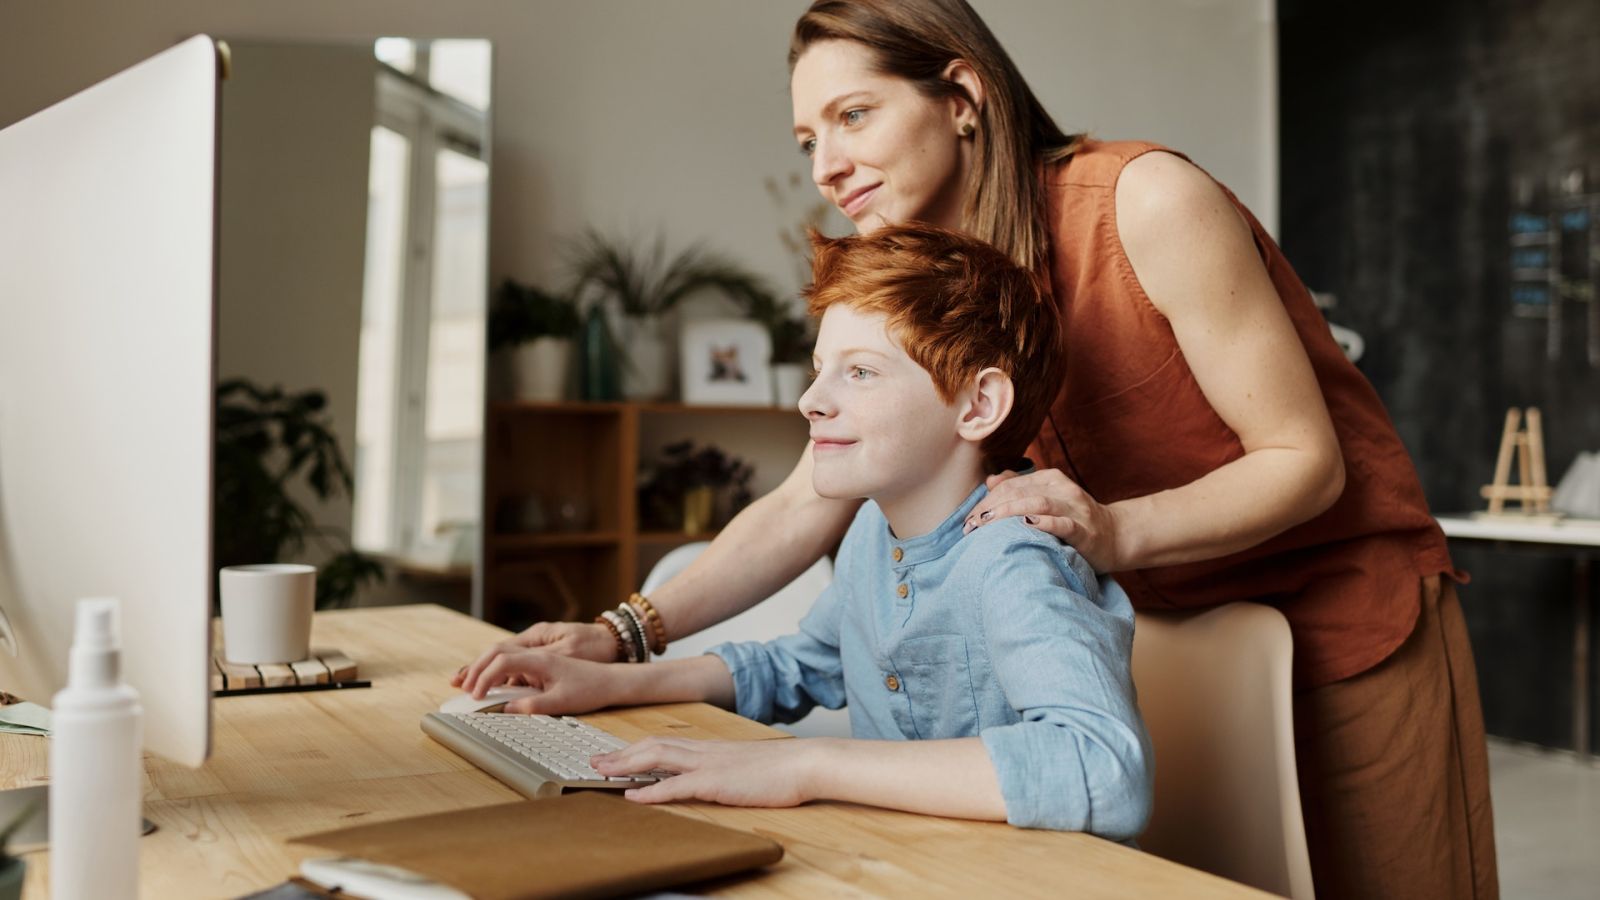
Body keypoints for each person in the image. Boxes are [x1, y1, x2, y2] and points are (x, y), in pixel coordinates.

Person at [458, 2, 1496, 896]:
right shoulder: (910, 268)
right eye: (805, 139)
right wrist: (622, 634)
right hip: (1159, 623)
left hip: (1343, 617)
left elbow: (1302, 461)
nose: (827, 164)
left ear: (962, 96)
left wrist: (1111, 529)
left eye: (853, 115)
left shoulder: (1144, 201)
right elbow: (804, 500)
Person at [458, 223, 1153, 838]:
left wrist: (806, 764)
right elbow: (804, 665)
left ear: (977, 405)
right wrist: (608, 682)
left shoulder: (1015, 559)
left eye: (859, 372)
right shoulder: (870, 538)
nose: (811, 400)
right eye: (822, 369)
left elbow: (1103, 767)